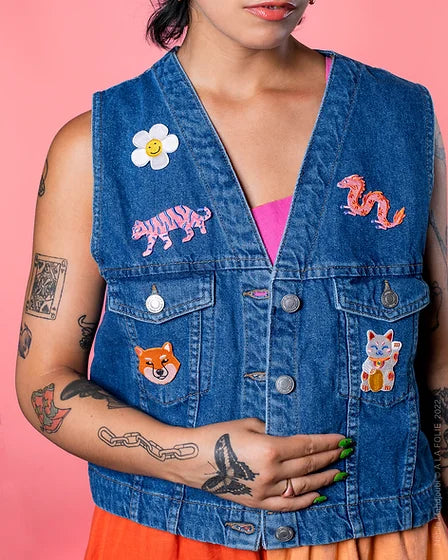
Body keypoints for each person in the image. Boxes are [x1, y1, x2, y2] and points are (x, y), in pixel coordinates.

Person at [15, 1, 448, 559]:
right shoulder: (96, 149)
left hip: (384, 535)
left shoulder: (401, 124)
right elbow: (44, 380)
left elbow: (439, 361)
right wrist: (190, 458)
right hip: (170, 536)